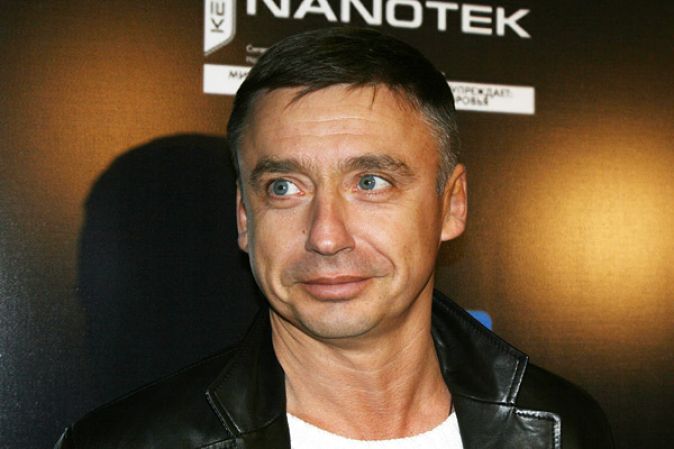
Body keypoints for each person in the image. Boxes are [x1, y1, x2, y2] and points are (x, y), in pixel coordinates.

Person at [55, 27, 614, 449]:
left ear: (452, 205)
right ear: (245, 218)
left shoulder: (564, 428)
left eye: (370, 182)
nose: (325, 237)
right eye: (283, 187)